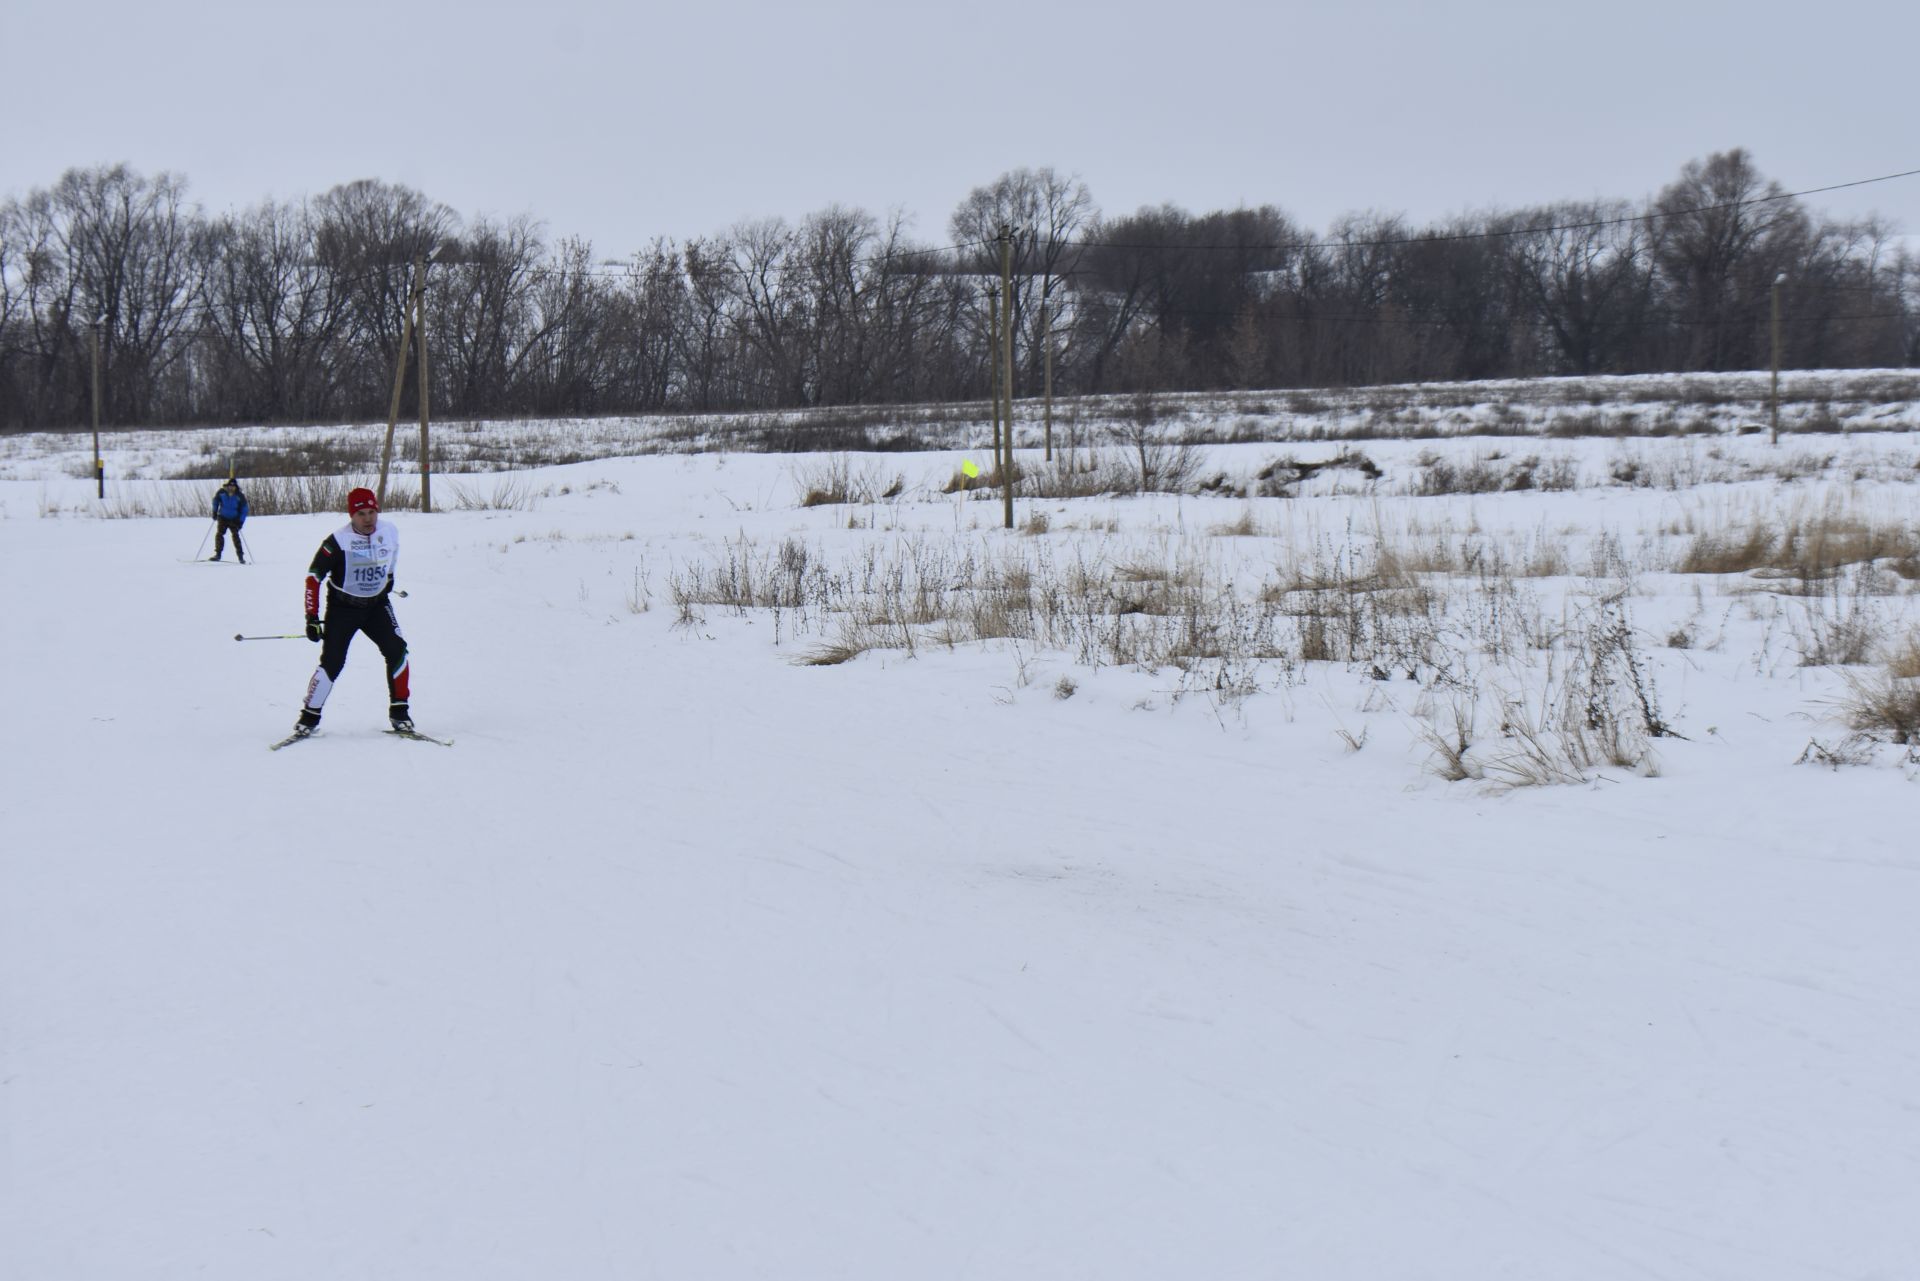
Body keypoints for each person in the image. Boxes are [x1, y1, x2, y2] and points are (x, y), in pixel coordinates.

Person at [289, 487, 414, 737]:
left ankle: (400, 712)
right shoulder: (337, 541)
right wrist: (311, 617)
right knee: (333, 661)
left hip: (377, 605)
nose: (368, 519)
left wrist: (389, 577)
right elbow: (314, 577)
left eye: (371, 512)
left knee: (397, 650)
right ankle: (309, 717)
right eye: (361, 514)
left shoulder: (388, 531)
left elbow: (392, 555)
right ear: (351, 516)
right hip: (343, 608)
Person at [210, 478, 248, 562]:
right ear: (227, 486)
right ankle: (218, 554)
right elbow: (215, 501)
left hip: (234, 519)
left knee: (235, 536)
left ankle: (240, 556)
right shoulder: (222, 492)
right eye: (230, 486)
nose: (231, 488)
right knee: (219, 534)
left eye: (233, 486)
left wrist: (241, 521)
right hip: (223, 517)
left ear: (236, 487)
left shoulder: (239, 496)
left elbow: (244, 509)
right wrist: (214, 511)